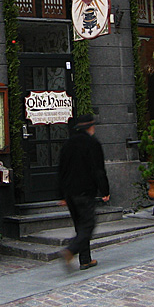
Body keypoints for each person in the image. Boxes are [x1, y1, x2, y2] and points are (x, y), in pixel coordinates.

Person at [58, 113, 110, 270]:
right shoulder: (92, 144)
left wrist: (61, 195)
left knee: (80, 226)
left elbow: (61, 170)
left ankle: (85, 260)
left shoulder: (68, 144)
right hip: (84, 191)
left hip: (70, 193)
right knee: (88, 225)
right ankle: (70, 250)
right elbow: (98, 170)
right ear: (90, 127)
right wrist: (105, 190)